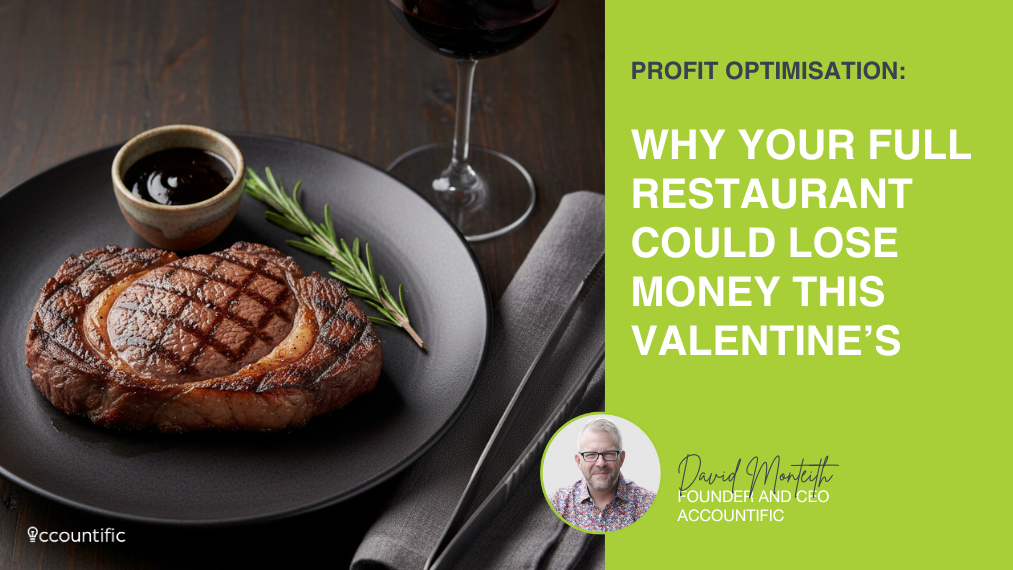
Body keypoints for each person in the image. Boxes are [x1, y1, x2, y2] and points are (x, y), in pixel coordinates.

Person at [549, 418, 656, 532]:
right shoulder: (557, 505)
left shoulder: (649, 504)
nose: (600, 463)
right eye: (591, 455)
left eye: (609, 454)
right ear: (579, 461)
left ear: (622, 458)